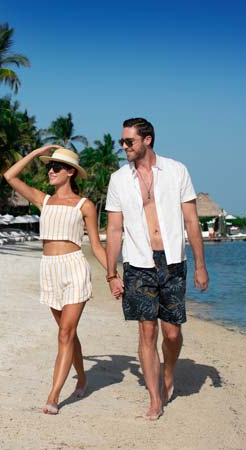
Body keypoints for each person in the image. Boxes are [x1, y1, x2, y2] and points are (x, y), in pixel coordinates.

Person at [105, 118, 209, 420]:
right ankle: (154, 399)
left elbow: (191, 221)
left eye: (129, 142)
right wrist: (111, 273)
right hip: (138, 264)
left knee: (172, 333)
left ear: (147, 140)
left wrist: (201, 265)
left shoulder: (177, 171)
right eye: (122, 142)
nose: (124, 147)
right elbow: (114, 230)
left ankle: (169, 371)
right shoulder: (118, 179)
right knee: (146, 332)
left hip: (173, 261)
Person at [4, 145, 107, 415]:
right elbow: (10, 177)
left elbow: (96, 246)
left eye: (57, 167)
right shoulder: (44, 200)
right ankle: (82, 379)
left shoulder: (86, 206)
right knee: (67, 332)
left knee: (64, 334)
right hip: (49, 269)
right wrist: (38, 151)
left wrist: (112, 274)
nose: (51, 170)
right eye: (50, 166)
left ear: (71, 172)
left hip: (74, 268)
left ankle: (53, 396)